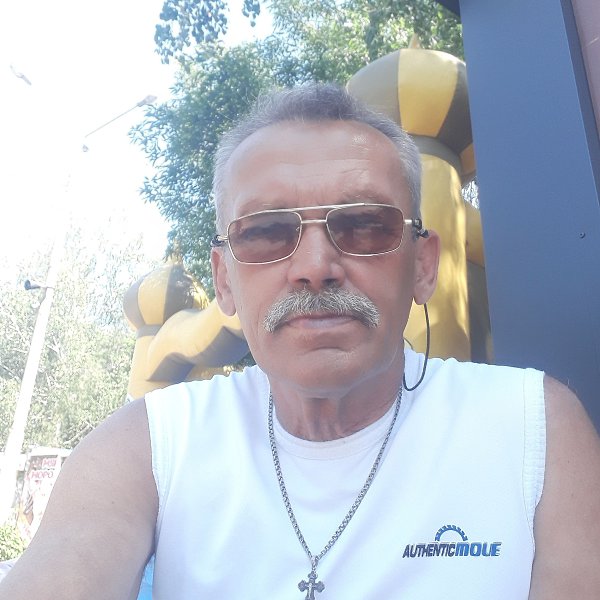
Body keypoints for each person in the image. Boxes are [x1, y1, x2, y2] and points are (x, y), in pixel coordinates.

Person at [1, 83, 599, 600]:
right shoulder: (151, 445)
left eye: (364, 225)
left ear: (422, 266)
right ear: (224, 280)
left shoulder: (534, 429)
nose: (316, 266)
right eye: (266, 232)